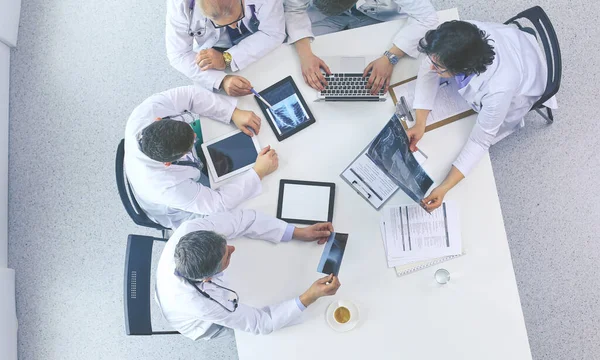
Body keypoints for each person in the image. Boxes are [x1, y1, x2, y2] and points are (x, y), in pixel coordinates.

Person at [408, 20, 557, 211]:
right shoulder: (458, 36)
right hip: (515, 44)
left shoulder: (497, 92)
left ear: (462, 69)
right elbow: (427, 68)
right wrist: (420, 122)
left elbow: (480, 142)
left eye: (439, 67)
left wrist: (444, 187)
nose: (431, 68)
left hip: (527, 78)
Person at [155, 210, 341, 340]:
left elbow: (242, 220)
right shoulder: (203, 304)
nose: (232, 247)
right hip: (196, 322)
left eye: (225, 244)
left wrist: (296, 232)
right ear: (208, 279)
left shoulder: (190, 230)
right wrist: (310, 296)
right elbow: (261, 323)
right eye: (227, 255)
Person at [124, 85, 279, 229]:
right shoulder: (166, 186)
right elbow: (217, 204)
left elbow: (190, 95)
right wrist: (258, 172)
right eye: (190, 144)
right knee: (238, 214)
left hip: (167, 176)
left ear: (158, 120)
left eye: (191, 132)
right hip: (178, 209)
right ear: (168, 163)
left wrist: (233, 112)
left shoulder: (147, 112)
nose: (195, 135)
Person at [284, 0, 438, 94]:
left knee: (380, 76)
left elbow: (428, 18)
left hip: (378, 15)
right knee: (294, 66)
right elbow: (293, 9)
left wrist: (391, 57)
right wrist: (305, 55)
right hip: (326, 17)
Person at [166, 0, 286, 96]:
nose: (234, 26)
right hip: (215, 49)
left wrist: (228, 58)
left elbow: (273, 32)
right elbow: (178, 55)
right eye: (219, 23)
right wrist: (221, 80)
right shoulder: (181, 4)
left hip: (258, 35)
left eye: (239, 16)